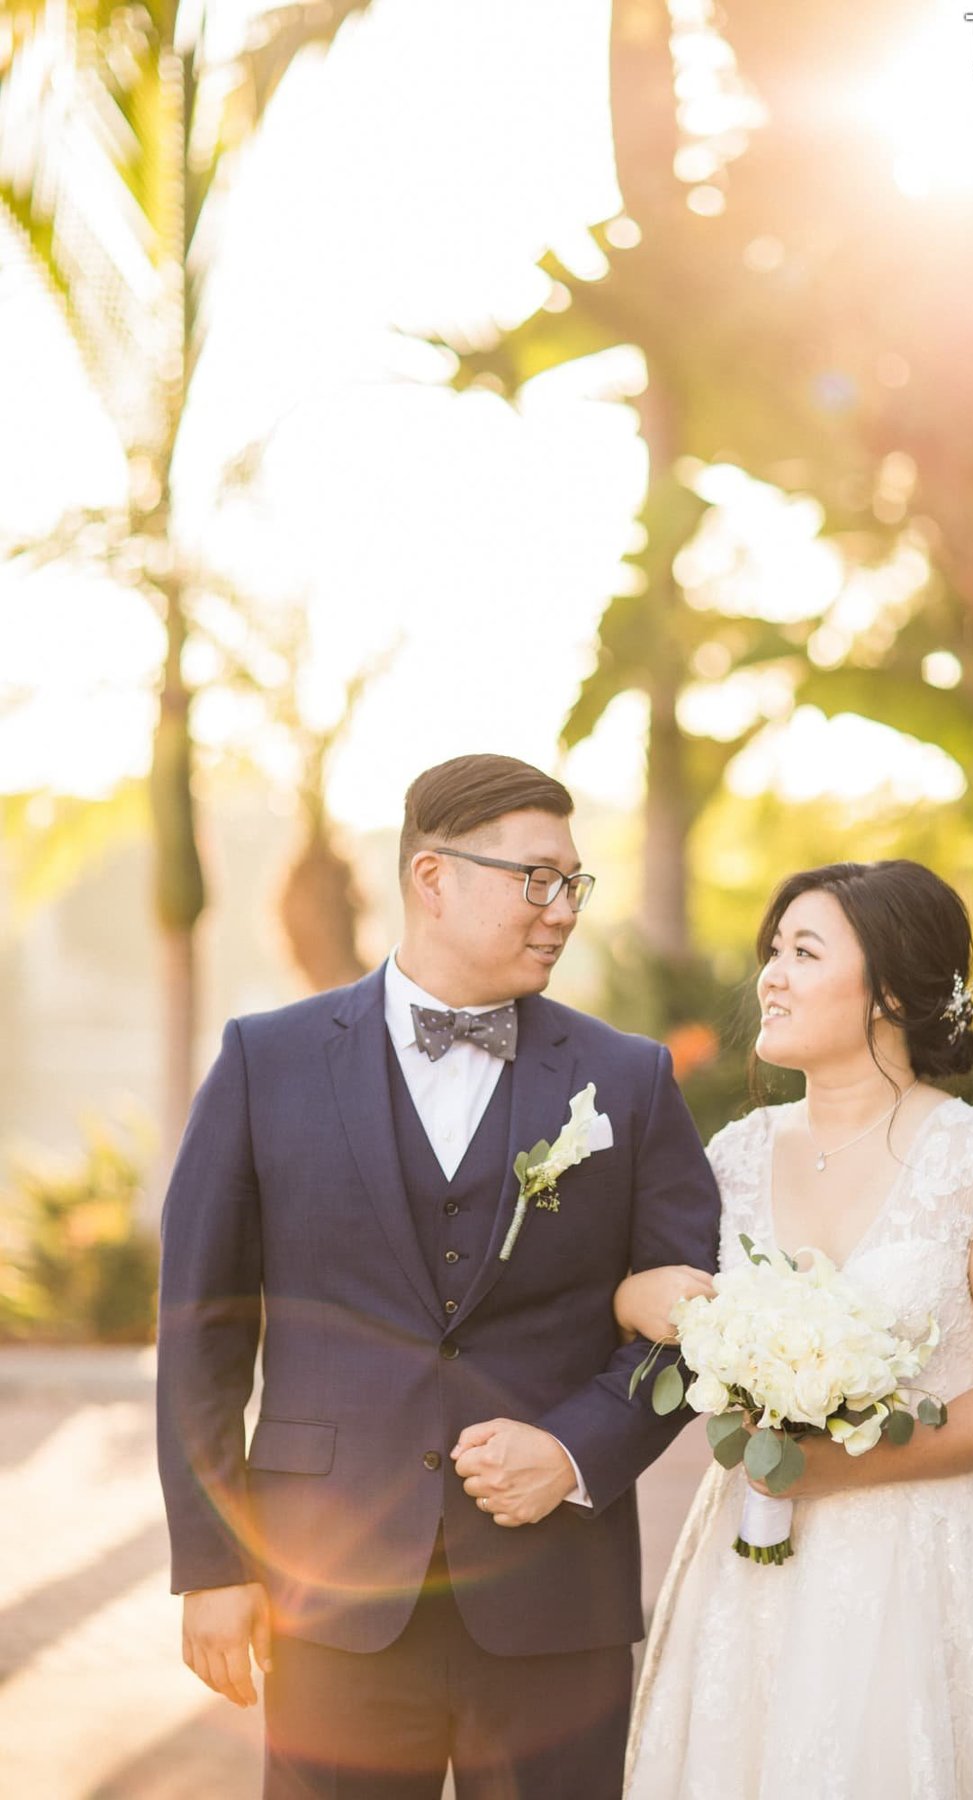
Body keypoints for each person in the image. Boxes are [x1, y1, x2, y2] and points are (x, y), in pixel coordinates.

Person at [156, 752, 721, 1800]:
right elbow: (203, 1337)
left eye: (574, 884)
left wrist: (577, 1449)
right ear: (433, 878)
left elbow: (696, 1323)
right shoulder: (261, 1061)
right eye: (536, 878)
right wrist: (213, 1562)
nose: (563, 910)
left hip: (556, 1599)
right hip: (330, 1588)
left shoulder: (628, 1080)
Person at [618, 859, 973, 1800]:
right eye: (773, 951)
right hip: (752, 1564)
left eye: (803, 952)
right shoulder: (729, 1156)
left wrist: (842, 1464)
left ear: (890, 990)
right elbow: (664, 1301)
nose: (770, 974)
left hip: (926, 1566)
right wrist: (636, 1300)